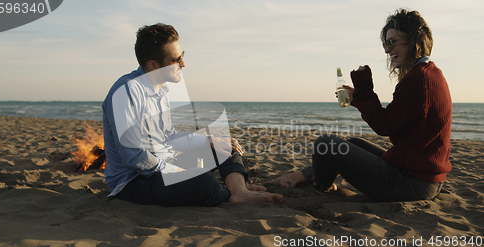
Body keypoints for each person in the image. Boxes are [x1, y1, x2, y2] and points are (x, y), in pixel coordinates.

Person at [268, 9, 452, 202]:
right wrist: (357, 97)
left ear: (414, 39)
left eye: (392, 42)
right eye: (385, 44)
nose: (387, 50)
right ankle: (304, 176)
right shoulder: (430, 73)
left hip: (411, 183)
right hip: (423, 179)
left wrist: (364, 89)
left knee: (324, 143)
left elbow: (384, 126)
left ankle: (322, 185)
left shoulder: (418, 78)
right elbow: (396, 123)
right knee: (352, 144)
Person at [102, 23, 283, 206]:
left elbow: (168, 136)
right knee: (203, 181)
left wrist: (208, 140)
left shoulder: (160, 91)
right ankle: (227, 194)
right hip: (135, 181)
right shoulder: (126, 92)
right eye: (176, 59)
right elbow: (134, 157)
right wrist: (177, 171)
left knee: (225, 146)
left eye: (183, 56)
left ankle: (239, 191)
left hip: (163, 163)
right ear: (154, 65)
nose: (183, 64)